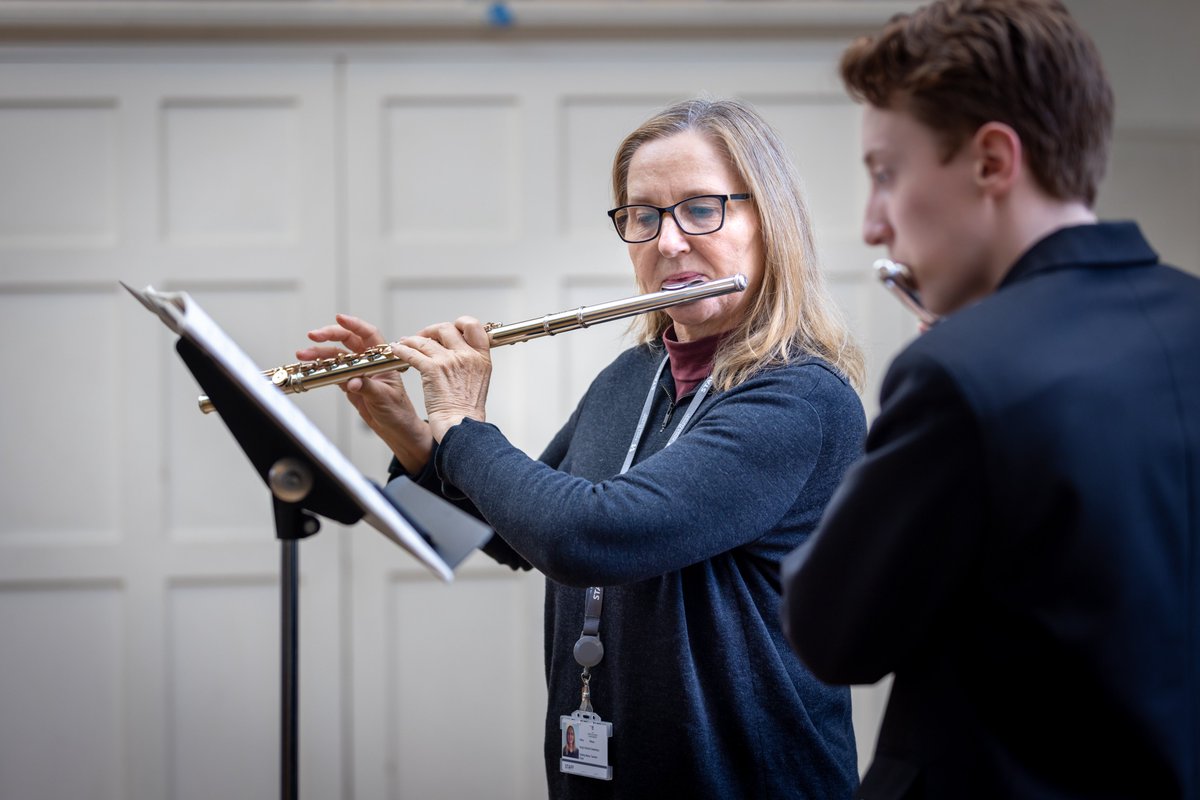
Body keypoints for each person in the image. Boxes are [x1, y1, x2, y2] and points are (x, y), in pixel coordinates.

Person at [300, 98, 867, 798]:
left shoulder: (799, 399)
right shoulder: (632, 375)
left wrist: (465, 421)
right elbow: (515, 534)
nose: (668, 243)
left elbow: (585, 538)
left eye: (701, 208)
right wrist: (409, 430)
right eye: (644, 215)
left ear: (769, 222)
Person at [780, 1, 1200, 798]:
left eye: (884, 173)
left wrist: (948, 354)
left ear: (992, 162)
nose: (873, 225)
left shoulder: (958, 373)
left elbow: (833, 636)